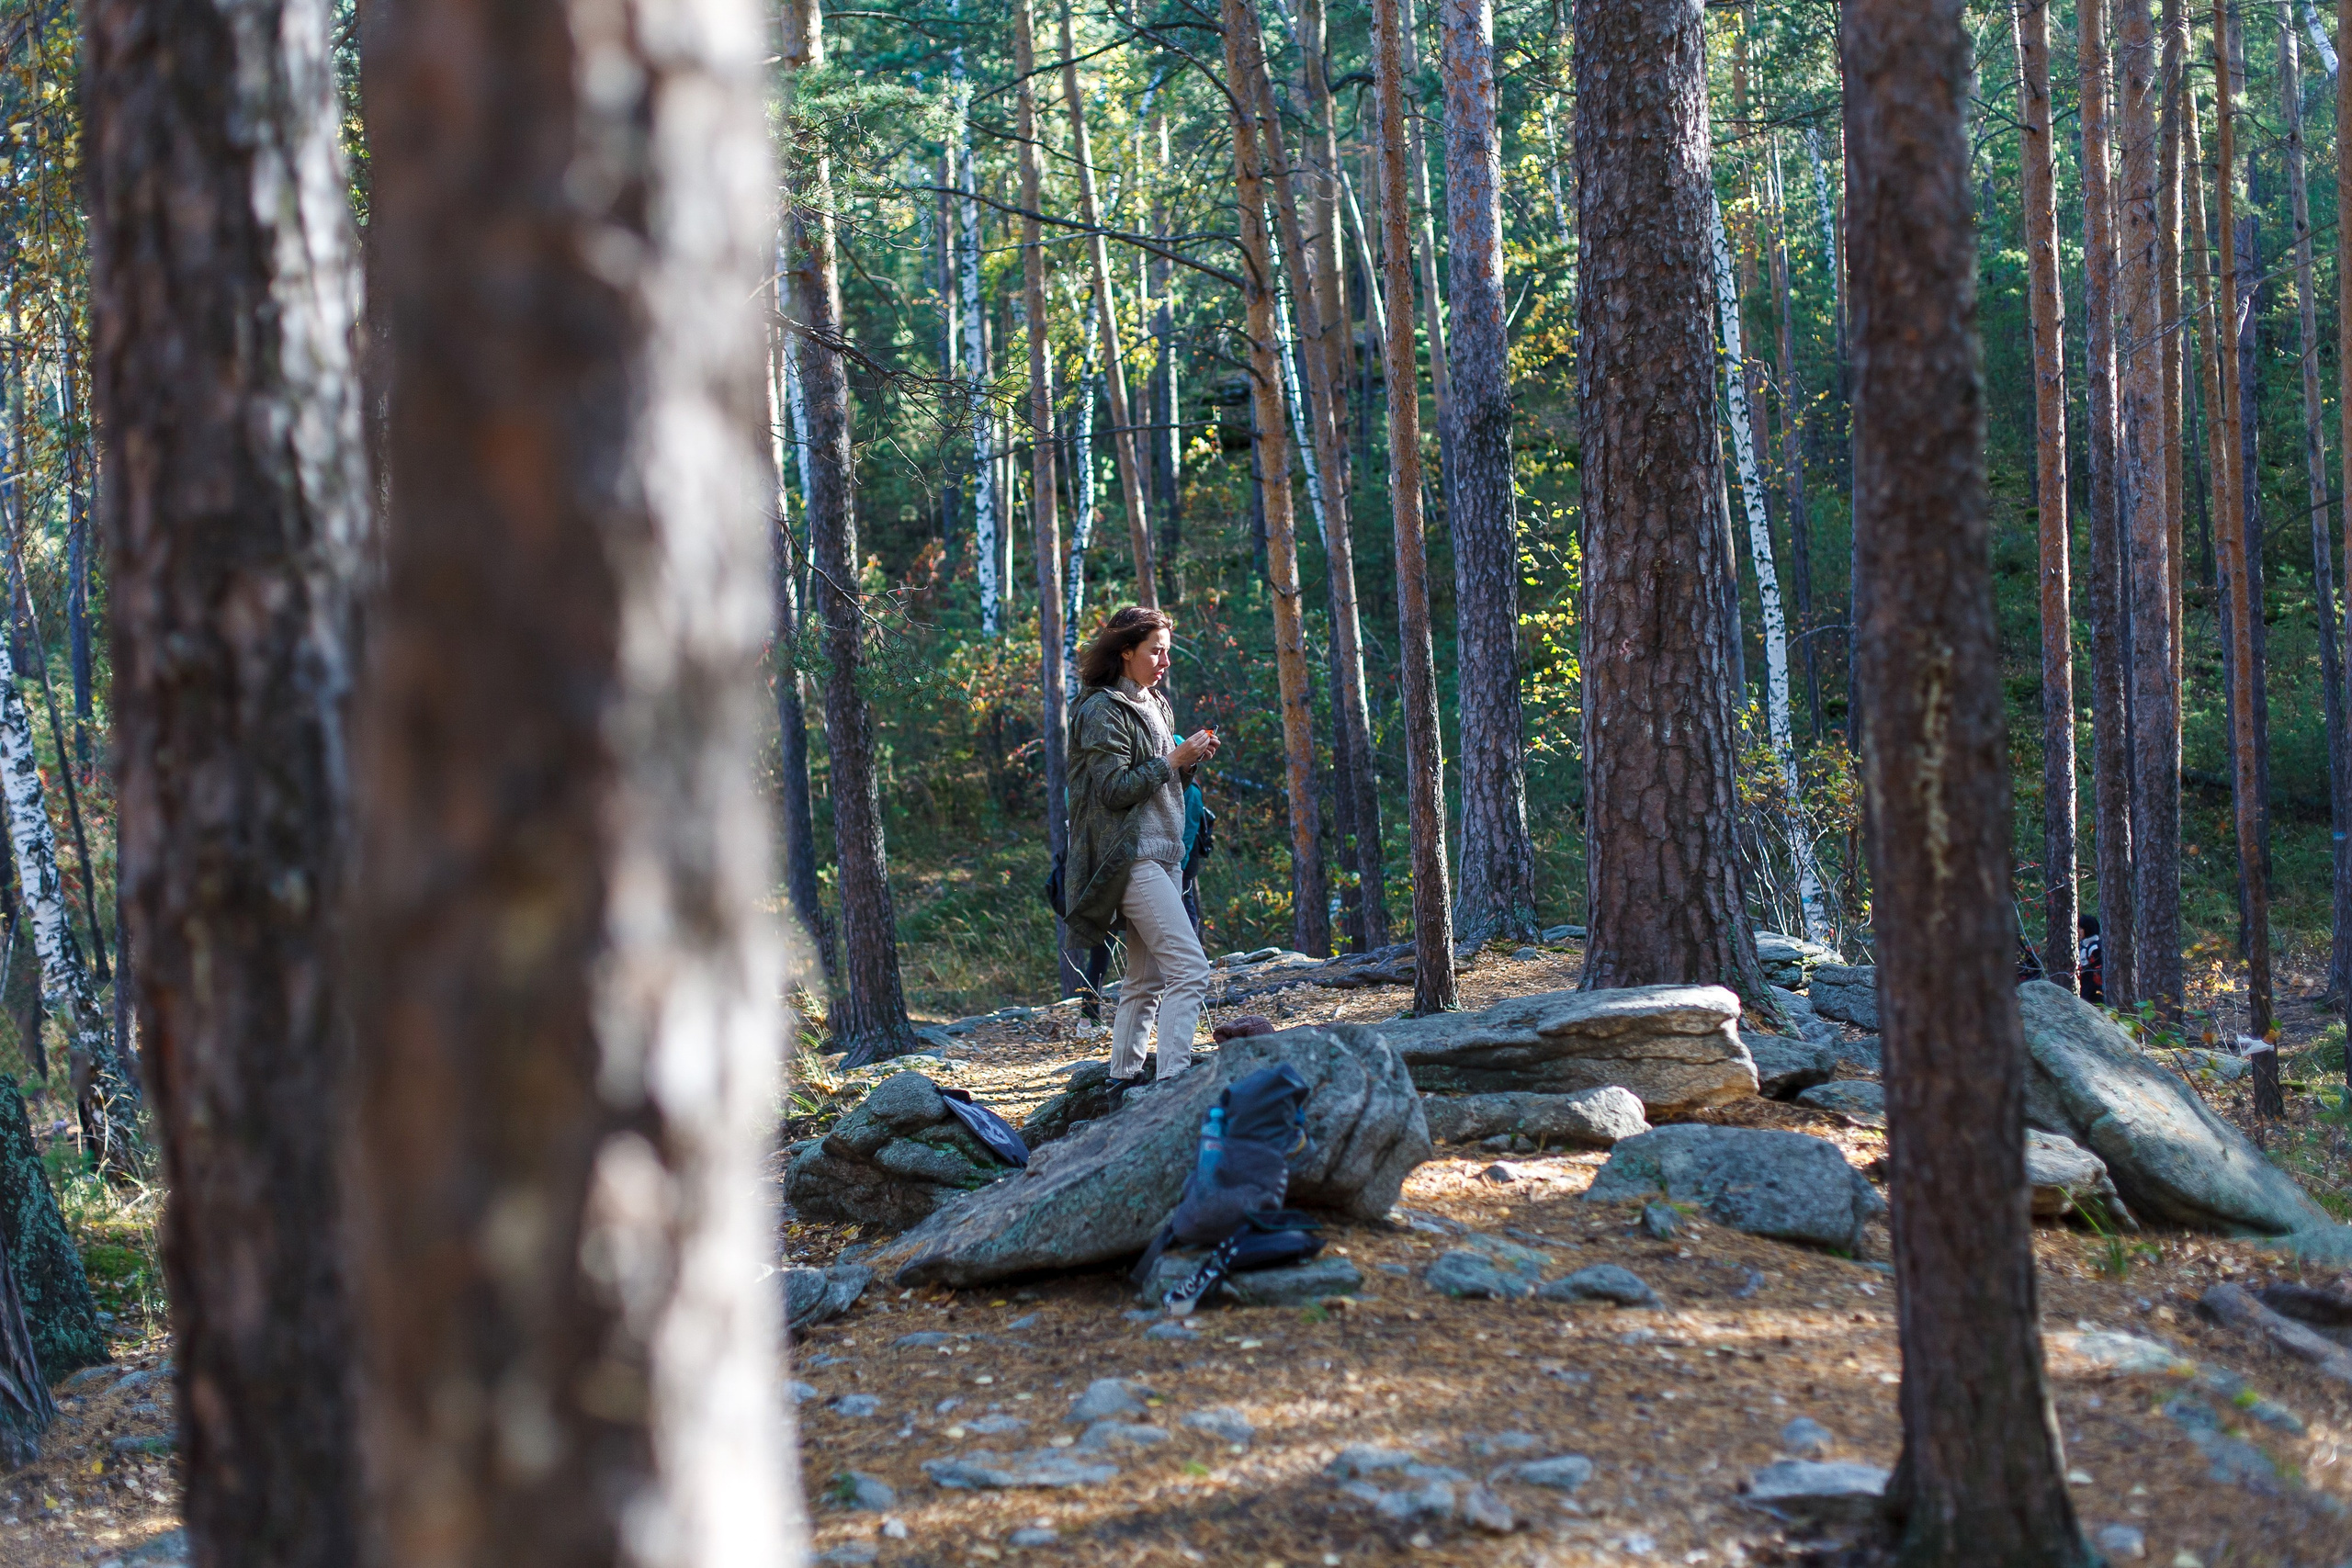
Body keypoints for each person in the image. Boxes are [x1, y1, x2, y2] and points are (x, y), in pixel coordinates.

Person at [1063, 606, 1219, 1086]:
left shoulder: (1157, 703)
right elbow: (1112, 790)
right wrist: (1174, 757)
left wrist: (1190, 763)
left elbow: (1161, 781)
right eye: (1156, 651)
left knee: (1145, 981)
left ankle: (1122, 1081)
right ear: (1126, 651)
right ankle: (1173, 1083)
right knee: (1191, 971)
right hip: (1130, 858)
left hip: (1166, 853)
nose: (1164, 661)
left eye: (1167, 652)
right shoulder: (1101, 710)